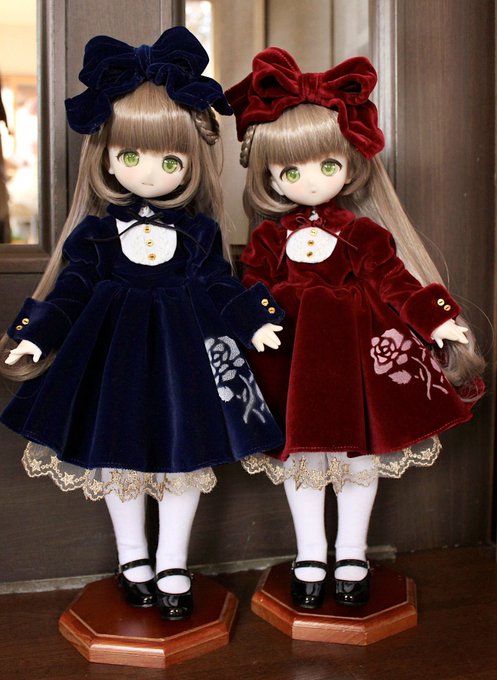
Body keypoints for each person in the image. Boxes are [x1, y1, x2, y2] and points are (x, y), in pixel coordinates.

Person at [0, 28, 283, 620]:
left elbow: (220, 285)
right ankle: (134, 560)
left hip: (187, 363)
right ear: (104, 157)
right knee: (118, 457)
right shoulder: (96, 235)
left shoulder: (200, 233)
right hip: (114, 362)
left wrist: (252, 322)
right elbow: (72, 289)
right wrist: (35, 332)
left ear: (191, 163)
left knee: (188, 460)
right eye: (130, 156)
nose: (149, 173)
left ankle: (173, 561)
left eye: (169, 160)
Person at [225, 49, 484, 608]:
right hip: (292, 362)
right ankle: (310, 552)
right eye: (290, 171)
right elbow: (251, 286)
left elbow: (395, 281)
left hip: (354, 361)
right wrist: (255, 323)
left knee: (359, 456)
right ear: (270, 176)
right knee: (300, 457)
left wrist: (437, 318)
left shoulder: (363, 234)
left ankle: (351, 551)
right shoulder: (270, 238)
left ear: (351, 164)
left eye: (327, 166)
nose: (309, 181)